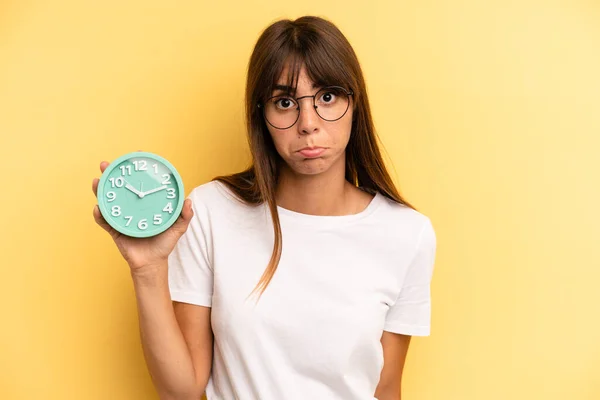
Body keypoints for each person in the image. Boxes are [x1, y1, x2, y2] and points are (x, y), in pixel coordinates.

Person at [92, 15, 437, 400]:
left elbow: (385, 388)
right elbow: (182, 392)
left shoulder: (408, 233)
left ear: (355, 103)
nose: (308, 123)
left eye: (327, 97)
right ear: (262, 115)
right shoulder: (210, 212)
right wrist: (148, 269)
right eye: (285, 102)